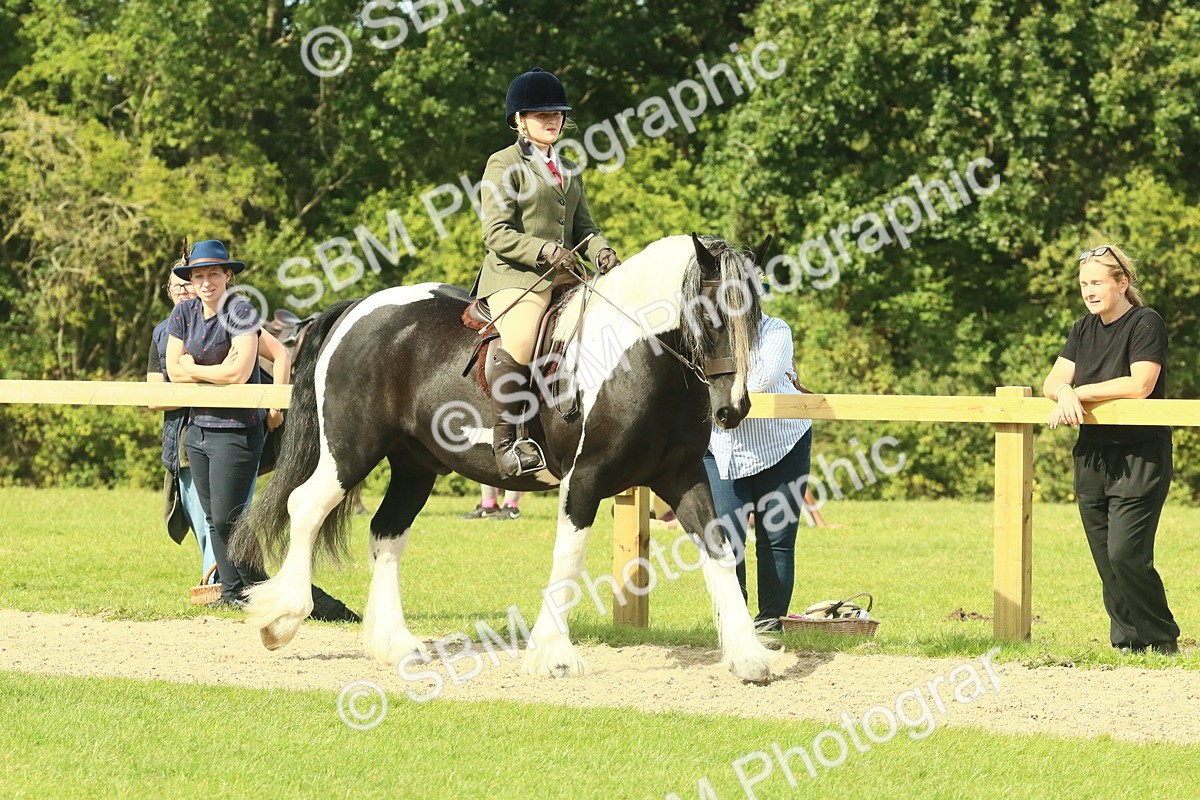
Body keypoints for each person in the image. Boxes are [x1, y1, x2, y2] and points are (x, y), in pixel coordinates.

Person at [472, 67, 621, 477]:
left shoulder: (569, 167)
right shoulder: (503, 163)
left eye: (557, 113)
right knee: (520, 337)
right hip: (516, 276)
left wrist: (604, 253)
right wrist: (544, 251)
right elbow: (495, 233)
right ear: (519, 120)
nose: (552, 119)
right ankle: (505, 445)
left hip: (567, 275)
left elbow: (584, 228)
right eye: (542, 114)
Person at [1042, 244, 1179, 655]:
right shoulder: (1083, 328)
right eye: (1084, 283)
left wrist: (1078, 392)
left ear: (1123, 282)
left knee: (1126, 553)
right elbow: (1052, 382)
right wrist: (1064, 390)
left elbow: (1141, 384)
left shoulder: (1145, 323)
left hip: (1140, 455)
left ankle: (1161, 639)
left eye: (1097, 282)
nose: (1089, 290)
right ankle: (1127, 642)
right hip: (1091, 457)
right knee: (1106, 559)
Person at [703, 314, 813, 632]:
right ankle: (734, 624)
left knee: (776, 540)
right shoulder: (700, 327)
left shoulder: (775, 329)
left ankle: (770, 625)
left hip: (782, 443)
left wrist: (709, 379)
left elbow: (761, 378)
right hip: (722, 448)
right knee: (726, 541)